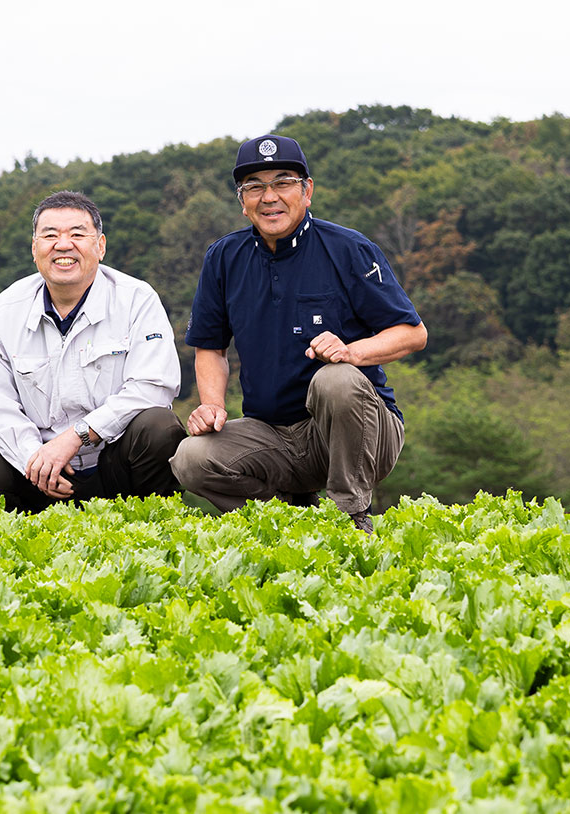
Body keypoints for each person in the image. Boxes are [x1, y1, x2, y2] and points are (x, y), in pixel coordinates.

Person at [170, 135, 427, 532]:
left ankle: (350, 516)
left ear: (307, 191)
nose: (269, 196)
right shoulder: (223, 257)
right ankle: (290, 517)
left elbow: (412, 333)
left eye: (283, 182)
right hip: (271, 433)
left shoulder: (348, 248)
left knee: (335, 380)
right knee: (191, 457)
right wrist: (213, 405)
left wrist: (352, 352)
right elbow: (210, 347)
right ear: (242, 201)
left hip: (359, 433)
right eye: (254, 187)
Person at [0, 190, 187, 512]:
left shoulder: (136, 299)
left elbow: (154, 388)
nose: (63, 245)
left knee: (159, 427)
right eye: (50, 235)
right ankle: (19, 531)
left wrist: (77, 436)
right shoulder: (4, 310)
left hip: (114, 462)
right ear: (34, 249)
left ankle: (152, 523)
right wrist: (36, 460)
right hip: (38, 472)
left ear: (100, 246)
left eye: (77, 234)